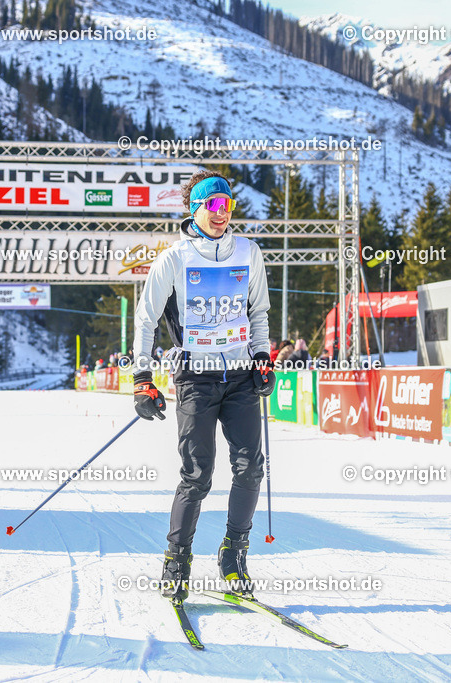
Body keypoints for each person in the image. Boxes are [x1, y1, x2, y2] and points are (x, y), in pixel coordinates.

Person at [131, 170, 274, 605]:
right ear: (195, 208)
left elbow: (259, 313)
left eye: (227, 205)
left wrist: (264, 358)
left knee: (251, 467)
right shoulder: (173, 260)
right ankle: (177, 560)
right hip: (196, 378)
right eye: (212, 205)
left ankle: (234, 552)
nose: (221, 214)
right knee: (197, 475)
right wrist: (142, 380)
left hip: (241, 376)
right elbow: (146, 321)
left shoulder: (248, 253)